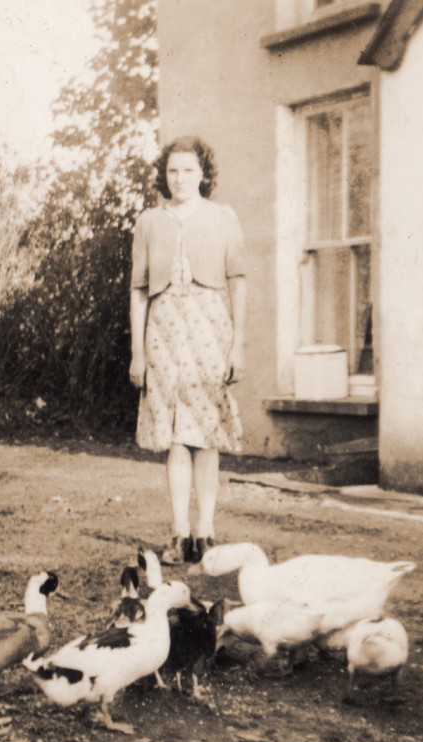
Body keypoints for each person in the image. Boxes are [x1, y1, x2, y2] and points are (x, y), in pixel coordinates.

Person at [129, 136, 246, 565]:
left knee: (207, 433)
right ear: (165, 175)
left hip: (210, 330)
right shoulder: (149, 222)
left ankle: (207, 532)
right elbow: (139, 290)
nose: (180, 179)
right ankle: (180, 534)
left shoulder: (223, 217)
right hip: (162, 334)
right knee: (175, 435)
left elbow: (238, 280)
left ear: (203, 174)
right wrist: (137, 352)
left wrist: (238, 345)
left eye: (189, 170)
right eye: (172, 171)